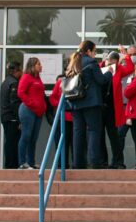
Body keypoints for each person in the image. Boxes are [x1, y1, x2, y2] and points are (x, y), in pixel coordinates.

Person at [67, 40, 112, 169]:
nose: (95, 54)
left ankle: (78, 163)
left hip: (76, 102)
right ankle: (94, 162)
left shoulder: (73, 61)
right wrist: (109, 72)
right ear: (88, 51)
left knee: (78, 133)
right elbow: (101, 80)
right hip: (91, 102)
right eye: (94, 51)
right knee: (93, 131)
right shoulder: (91, 62)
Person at [99, 50, 130, 168]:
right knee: (100, 136)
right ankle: (103, 162)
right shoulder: (100, 68)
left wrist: (125, 55)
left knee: (114, 136)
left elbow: (130, 68)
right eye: (108, 59)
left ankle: (118, 161)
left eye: (112, 59)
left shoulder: (119, 70)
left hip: (112, 108)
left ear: (117, 61)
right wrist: (103, 62)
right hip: (100, 107)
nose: (109, 61)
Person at [117, 44, 136, 167]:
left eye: (134, 54)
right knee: (120, 135)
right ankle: (119, 162)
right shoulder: (124, 66)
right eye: (130, 54)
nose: (132, 57)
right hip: (124, 107)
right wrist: (123, 58)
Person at [17, 57, 46, 170]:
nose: (41, 66)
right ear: (33, 66)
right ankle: (22, 162)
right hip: (28, 110)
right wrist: (32, 104)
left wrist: (42, 106)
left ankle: (31, 162)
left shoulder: (38, 78)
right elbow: (21, 92)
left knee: (33, 138)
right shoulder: (26, 77)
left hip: (38, 112)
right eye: (39, 64)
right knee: (26, 135)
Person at [49, 73, 74, 168]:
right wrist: (61, 105)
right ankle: (62, 165)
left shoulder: (79, 82)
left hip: (75, 118)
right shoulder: (60, 82)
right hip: (62, 118)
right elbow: (52, 98)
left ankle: (76, 165)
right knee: (62, 143)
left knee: (75, 144)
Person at [0, 61, 22, 169]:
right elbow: (14, 103)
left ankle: (9, 164)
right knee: (12, 142)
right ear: (16, 71)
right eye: (20, 71)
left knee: (9, 141)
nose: (21, 73)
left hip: (6, 116)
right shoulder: (14, 83)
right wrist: (19, 119)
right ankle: (11, 165)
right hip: (12, 117)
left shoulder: (5, 82)